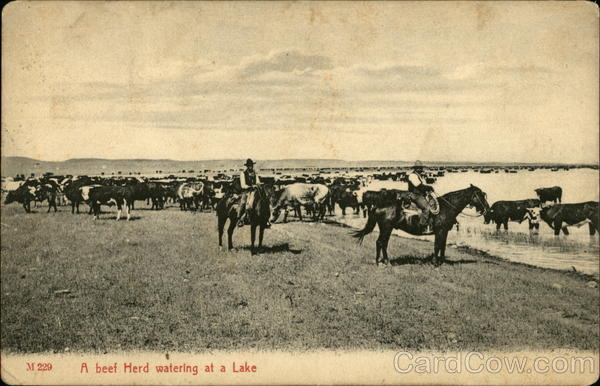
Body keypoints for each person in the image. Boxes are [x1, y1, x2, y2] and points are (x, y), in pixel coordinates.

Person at [236, 159, 270, 228]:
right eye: (249, 165)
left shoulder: (254, 173)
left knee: (264, 200)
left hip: (255, 190)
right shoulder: (243, 173)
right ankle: (240, 219)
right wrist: (251, 186)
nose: (251, 167)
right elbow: (243, 185)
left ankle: (265, 219)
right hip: (247, 191)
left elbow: (257, 181)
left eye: (251, 165)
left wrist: (259, 184)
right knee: (243, 203)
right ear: (247, 166)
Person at [407, 161, 434, 232]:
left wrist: (428, 189)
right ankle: (422, 226)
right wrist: (428, 188)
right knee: (426, 208)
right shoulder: (412, 175)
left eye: (420, 168)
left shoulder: (419, 176)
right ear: (415, 169)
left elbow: (423, 186)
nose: (420, 169)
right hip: (415, 195)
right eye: (418, 168)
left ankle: (431, 223)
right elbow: (419, 186)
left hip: (420, 195)